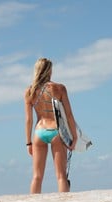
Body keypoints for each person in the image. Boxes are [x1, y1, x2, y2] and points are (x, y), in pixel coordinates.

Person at [24, 58, 77, 194]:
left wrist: (28, 143)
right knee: (61, 176)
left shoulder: (29, 91)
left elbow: (28, 120)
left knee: (37, 176)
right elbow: (69, 115)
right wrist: (74, 137)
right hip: (56, 131)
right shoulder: (59, 88)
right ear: (49, 70)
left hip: (39, 132)